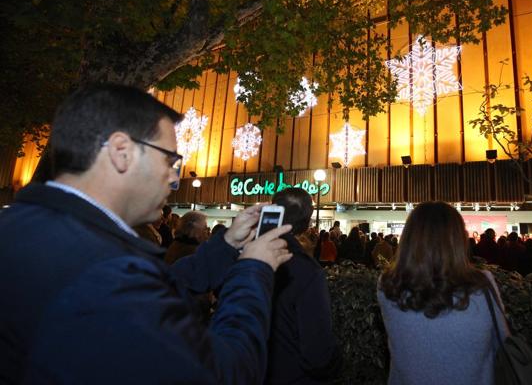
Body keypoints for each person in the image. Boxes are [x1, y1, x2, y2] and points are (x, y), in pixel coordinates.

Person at [0, 84, 293, 384]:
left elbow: (164, 287)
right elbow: (225, 373)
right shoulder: (107, 273)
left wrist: (228, 243)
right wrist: (253, 270)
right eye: (169, 160)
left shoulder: (23, 227)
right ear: (121, 152)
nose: (174, 177)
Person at [377, 202, 508, 384]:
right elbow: (502, 341)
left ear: (408, 239)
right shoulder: (482, 284)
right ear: (458, 239)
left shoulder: (388, 285)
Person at [265, 188, 342, 384]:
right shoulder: (307, 271)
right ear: (307, 221)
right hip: (293, 374)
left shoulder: (245, 254)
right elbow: (317, 353)